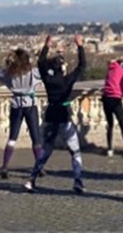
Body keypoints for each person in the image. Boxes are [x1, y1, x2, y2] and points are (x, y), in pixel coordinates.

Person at [26, 35, 88, 193]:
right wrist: (80, 46)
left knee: (46, 150)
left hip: (50, 115)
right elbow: (82, 66)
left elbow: (40, 63)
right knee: (75, 151)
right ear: (63, 68)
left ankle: (32, 179)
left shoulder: (48, 79)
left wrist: (46, 46)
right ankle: (78, 180)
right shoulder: (67, 81)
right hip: (64, 116)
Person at [0, 43, 45, 180]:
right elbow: (45, 69)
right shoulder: (33, 73)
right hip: (30, 105)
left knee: (12, 137)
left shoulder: (9, 74)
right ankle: (39, 166)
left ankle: (5, 166)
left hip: (16, 105)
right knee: (36, 137)